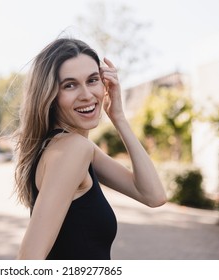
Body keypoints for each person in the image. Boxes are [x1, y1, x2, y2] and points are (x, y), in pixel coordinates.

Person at [13, 37, 166, 260]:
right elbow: (29, 258)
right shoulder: (73, 149)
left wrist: (118, 117)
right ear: (50, 95)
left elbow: (153, 195)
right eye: (70, 85)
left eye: (93, 80)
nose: (86, 94)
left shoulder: (74, 147)